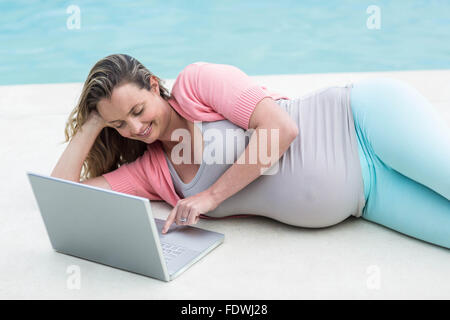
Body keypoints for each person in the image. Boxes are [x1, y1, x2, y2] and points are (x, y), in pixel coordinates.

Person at [51, 54, 450, 249]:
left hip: (363, 121)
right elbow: (62, 198)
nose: (135, 128)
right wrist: (92, 121)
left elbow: (281, 129)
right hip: (368, 197)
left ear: (154, 85)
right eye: (119, 124)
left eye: (137, 111)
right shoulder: (152, 171)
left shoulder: (196, 84)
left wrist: (210, 196)